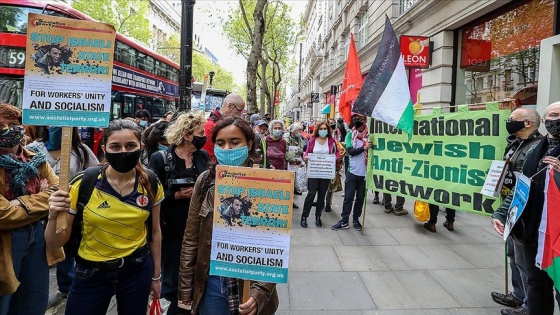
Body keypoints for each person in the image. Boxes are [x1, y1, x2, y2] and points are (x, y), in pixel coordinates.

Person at [45, 119, 164, 314]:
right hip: (90, 273)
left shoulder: (150, 182)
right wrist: (52, 216)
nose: (123, 151)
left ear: (141, 147)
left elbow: (155, 232)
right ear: (104, 149)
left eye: (130, 145)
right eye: (115, 146)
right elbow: (55, 243)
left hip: (137, 270)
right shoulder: (84, 183)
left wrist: (156, 276)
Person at [178, 117, 279, 314]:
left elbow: (276, 247)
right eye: (220, 143)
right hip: (212, 283)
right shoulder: (205, 181)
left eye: (235, 142)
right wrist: (185, 292)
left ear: (249, 144)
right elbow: (191, 239)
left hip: (250, 282)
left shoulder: (269, 182)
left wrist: (260, 292)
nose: (227, 149)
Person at [492, 101, 560, 315]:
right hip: (531, 227)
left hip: (556, 233)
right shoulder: (535, 151)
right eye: (553, 115)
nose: (556, 120)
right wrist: (501, 214)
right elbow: (523, 185)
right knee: (535, 282)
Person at [0, 104, 62, 315]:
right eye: (1, 125)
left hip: (38, 238)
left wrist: (21, 203)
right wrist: (42, 203)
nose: (7, 129)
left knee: (33, 303)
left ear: (23, 127)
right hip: (5, 243)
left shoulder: (36, 159)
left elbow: (61, 192)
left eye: (13, 124)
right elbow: (2, 214)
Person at [26, 126, 99, 302]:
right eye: (52, 124)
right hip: (37, 213)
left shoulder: (81, 151)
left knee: (66, 248)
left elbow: (96, 173)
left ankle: (67, 285)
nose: (56, 127)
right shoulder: (33, 149)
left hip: (69, 212)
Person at [148, 112, 210, 315]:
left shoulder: (203, 157)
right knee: (172, 280)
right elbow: (150, 196)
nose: (204, 136)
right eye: (201, 132)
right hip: (171, 232)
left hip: (198, 230)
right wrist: (175, 196)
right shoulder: (161, 158)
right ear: (187, 134)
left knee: (197, 276)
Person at [490, 107, 542, 315]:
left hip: (524, 211)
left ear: (528, 123)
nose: (509, 121)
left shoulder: (536, 148)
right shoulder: (515, 143)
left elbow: (526, 183)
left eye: (513, 119)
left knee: (524, 261)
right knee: (513, 254)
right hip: (511, 208)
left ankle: (528, 306)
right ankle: (518, 295)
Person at [332, 114, 372, 231]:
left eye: (361, 119)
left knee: (360, 199)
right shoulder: (350, 134)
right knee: (348, 197)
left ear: (365, 121)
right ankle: (344, 220)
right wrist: (364, 148)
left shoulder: (371, 136)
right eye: (355, 119)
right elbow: (350, 151)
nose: (358, 121)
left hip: (365, 173)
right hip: (352, 172)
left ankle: (356, 220)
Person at [301, 120, 340, 228]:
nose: (323, 131)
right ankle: (304, 216)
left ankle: (318, 216)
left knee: (322, 195)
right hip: (314, 171)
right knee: (311, 193)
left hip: (325, 172)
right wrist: (306, 157)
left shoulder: (331, 141)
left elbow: (337, 153)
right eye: (321, 129)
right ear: (318, 130)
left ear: (328, 130)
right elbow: (307, 153)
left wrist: (334, 158)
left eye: (325, 129)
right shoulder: (313, 140)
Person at [202, 93, 246, 162]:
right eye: (239, 111)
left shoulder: (226, 123)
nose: (240, 115)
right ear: (230, 106)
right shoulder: (210, 126)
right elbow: (208, 155)